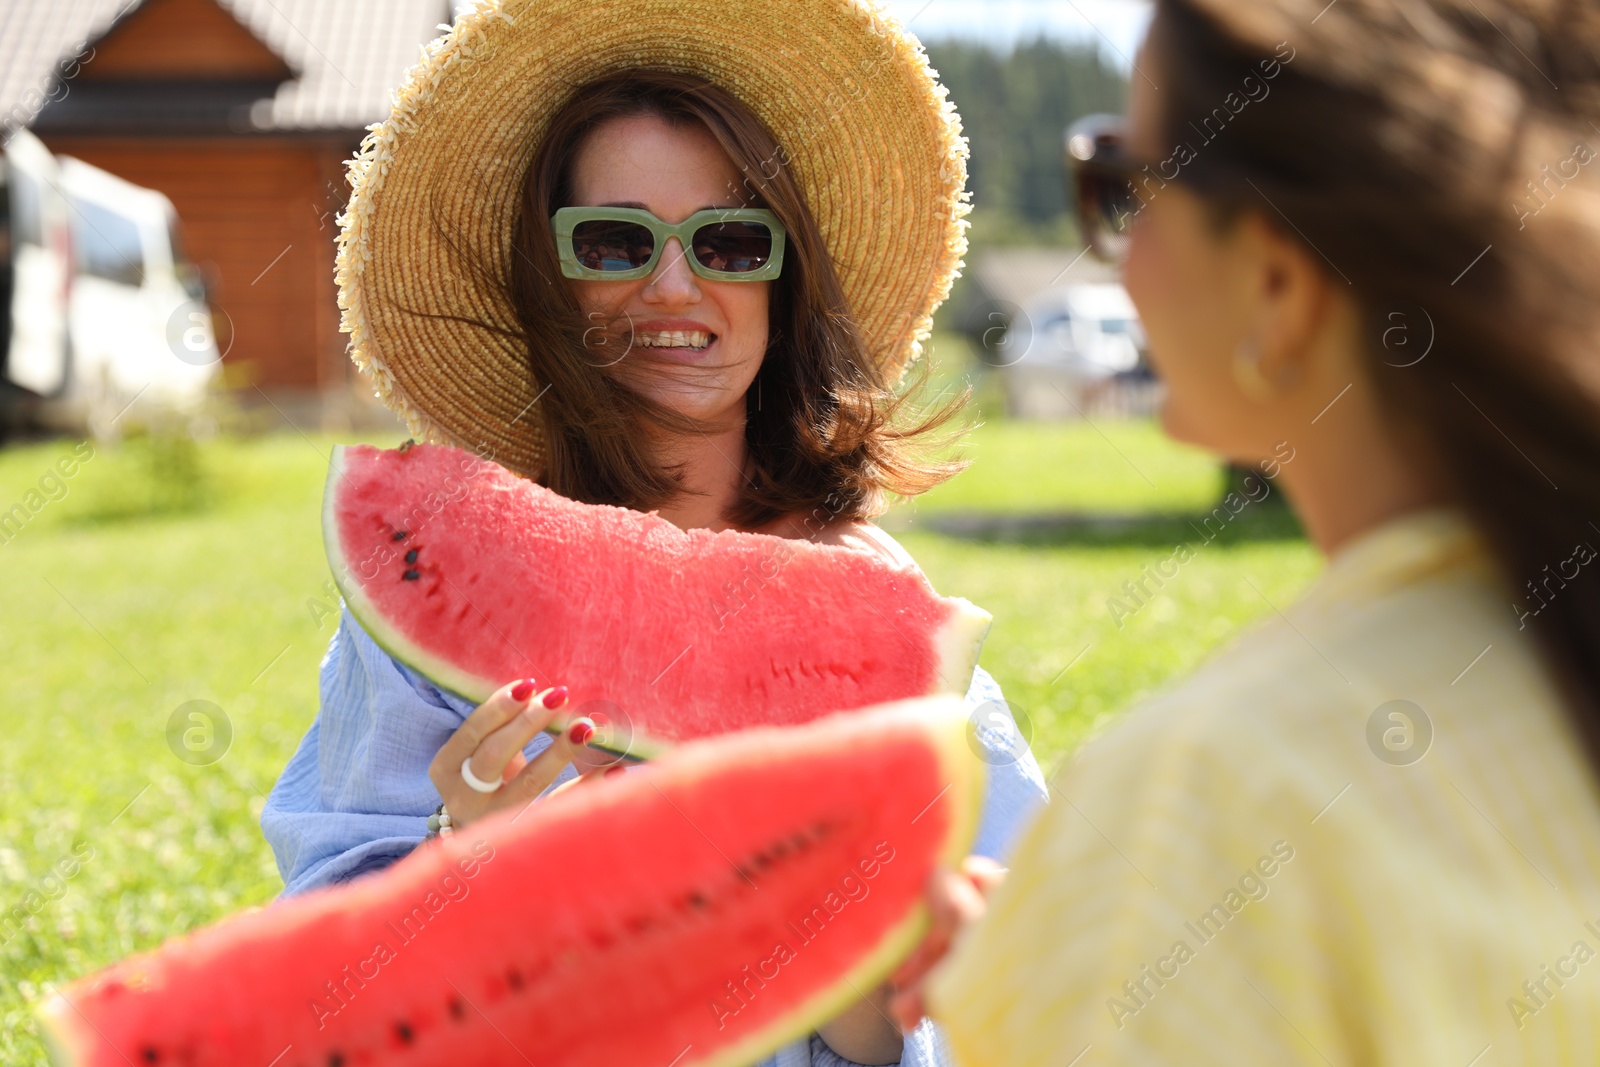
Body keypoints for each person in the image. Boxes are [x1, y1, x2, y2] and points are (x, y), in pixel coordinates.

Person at [260, 2, 1047, 1064]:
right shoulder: (443, 598)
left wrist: (859, 956)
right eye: (617, 239)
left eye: (728, 240)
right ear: (550, 276)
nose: (675, 285)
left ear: (781, 279)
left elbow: (999, 1008)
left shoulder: (886, 628)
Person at [890, 0, 1600, 1062]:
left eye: (1122, 189)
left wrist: (1107, 952)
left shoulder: (1200, 801)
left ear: (1272, 283)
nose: (1117, 265)